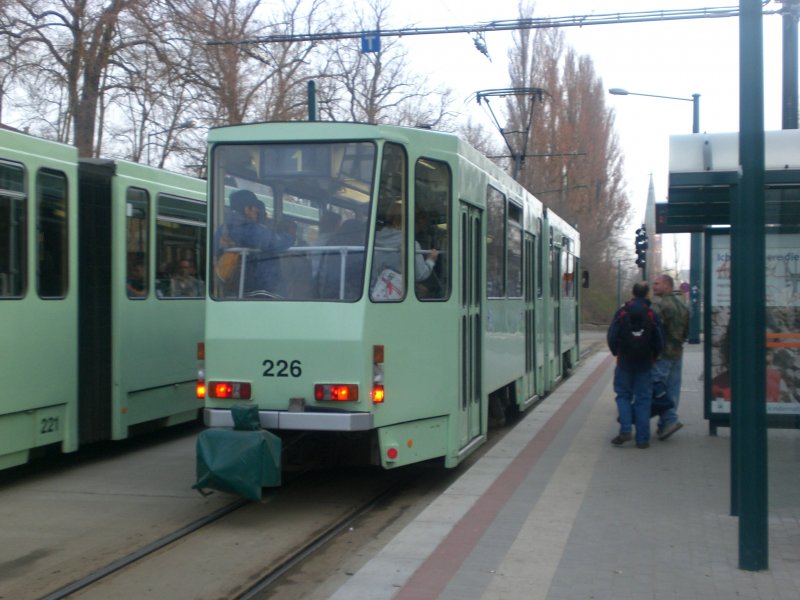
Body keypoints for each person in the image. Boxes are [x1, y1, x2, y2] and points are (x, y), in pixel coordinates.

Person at [607, 281, 664, 449]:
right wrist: (654, 356)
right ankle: (642, 439)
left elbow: (611, 335)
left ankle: (625, 430)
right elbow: (660, 340)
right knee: (643, 399)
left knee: (623, 395)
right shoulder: (651, 314)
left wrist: (616, 353)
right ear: (647, 294)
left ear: (633, 293)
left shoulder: (622, 312)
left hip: (624, 361)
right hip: (645, 363)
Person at [217, 189, 295, 295]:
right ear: (247, 209)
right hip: (257, 291)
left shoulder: (223, 229)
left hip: (234, 288)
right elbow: (275, 242)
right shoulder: (247, 229)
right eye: (255, 207)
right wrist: (288, 237)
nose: (257, 211)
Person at [651, 273, 690, 440]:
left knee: (658, 387)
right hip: (677, 352)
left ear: (667, 285)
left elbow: (653, 329)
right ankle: (664, 425)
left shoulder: (660, 305)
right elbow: (687, 331)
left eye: (657, 284)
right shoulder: (682, 305)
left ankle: (670, 420)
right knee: (673, 389)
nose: (654, 286)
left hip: (662, 354)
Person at [371, 201, 438, 297]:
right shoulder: (410, 244)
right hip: (396, 297)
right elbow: (420, 274)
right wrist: (431, 260)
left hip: (374, 292)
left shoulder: (374, 238)